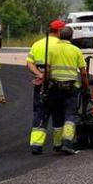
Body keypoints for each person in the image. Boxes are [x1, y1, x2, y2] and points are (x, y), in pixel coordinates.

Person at [46, 27, 89, 154]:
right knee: (70, 115)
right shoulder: (76, 50)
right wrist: (86, 88)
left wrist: (45, 86)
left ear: (59, 35)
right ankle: (67, 142)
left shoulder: (52, 49)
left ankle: (57, 144)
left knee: (57, 116)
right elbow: (83, 73)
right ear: (71, 37)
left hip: (54, 87)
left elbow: (47, 70)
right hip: (70, 88)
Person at [25, 20, 63, 155]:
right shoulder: (61, 45)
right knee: (58, 113)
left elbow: (29, 62)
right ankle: (58, 144)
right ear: (59, 31)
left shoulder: (37, 44)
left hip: (40, 84)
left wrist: (39, 75)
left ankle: (36, 145)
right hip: (57, 84)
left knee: (39, 112)